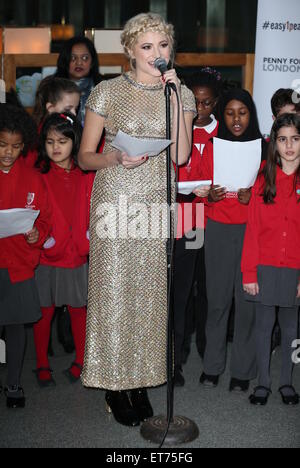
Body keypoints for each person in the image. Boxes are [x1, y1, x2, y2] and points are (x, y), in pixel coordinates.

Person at [78, 12, 196, 427]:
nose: (157, 54)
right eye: (147, 47)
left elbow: (181, 156)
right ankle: (113, 382)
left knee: (150, 295)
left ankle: (141, 379)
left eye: (163, 46)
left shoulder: (179, 94)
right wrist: (115, 157)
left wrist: (180, 99)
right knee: (115, 290)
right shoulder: (107, 92)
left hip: (155, 205)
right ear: (129, 50)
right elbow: (84, 156)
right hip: (115, 199)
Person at [198, 88, 267, 392]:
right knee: (217, 300)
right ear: (221, 115)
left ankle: (242, 370)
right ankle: (212, 366)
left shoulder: (264, 149)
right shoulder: (212, 146)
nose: (236, 119)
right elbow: (198, 187)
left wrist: (255, 197)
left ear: (251, 114)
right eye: (229, 112)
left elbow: (272, 194)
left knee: (247, 302)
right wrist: (208, 196)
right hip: (219, 228)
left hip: (253, 231)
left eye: (242, 112)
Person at [242, 113, 300, 406]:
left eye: (295, 139)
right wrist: (249, 272)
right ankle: (263, 382)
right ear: (274, 144)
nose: (289, 145)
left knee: (291, 329)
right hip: (264, 266)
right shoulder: (264, 176)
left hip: (295, 269)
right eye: (282, 139)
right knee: (263, 328)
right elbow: (252, 227)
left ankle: (286, 382)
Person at [33, 113, 93, 387]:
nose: (56, 147)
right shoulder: (39, 175)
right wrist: (44, 238)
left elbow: (93, 209)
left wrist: (89, 234)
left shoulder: (85, 174)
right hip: (47, 254)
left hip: (77, 253)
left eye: (62, 141)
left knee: (78, 308)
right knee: (44, 310)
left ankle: (82, 359)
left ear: (74, 142)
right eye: (49, 141)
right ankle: (41, 363)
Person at [173, 67, 222, 386]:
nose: (201, 109)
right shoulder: (178, 129)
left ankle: (209, 355)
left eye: (206, 103)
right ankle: (174, 360)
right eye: (195, 102)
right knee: (180, 292)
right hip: (186, 216)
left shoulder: (227, 134)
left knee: (208, 290)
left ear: (215, 102)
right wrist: (185, 191)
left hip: (215, 219)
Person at [0, 104, 51, 408]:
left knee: (16, 325)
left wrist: (37, 234)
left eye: (16, 146)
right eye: (3, 144)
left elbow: (43, 219)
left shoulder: (32, 177)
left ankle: (14, 383)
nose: (9, 152)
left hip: (19, 263)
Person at [55, 37, 102, 126]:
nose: (79, 63)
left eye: (85, 58)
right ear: (65, 60)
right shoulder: (53, 87)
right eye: (73, 58)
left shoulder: (103, 88)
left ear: (92, 62)